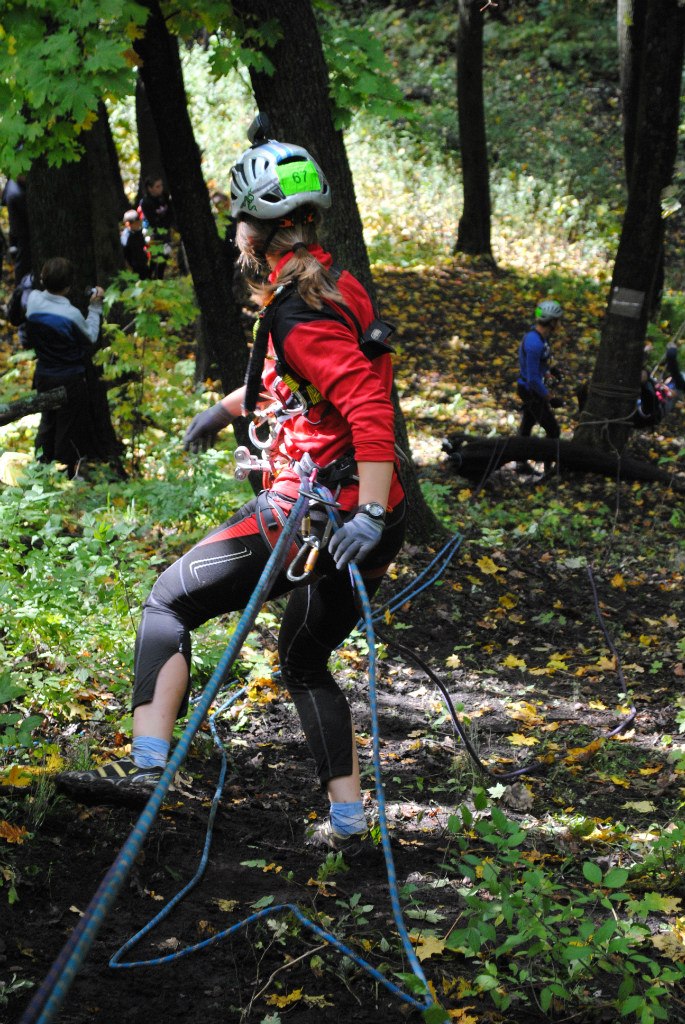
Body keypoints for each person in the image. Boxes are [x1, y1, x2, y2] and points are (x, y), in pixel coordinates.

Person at [57, 121, 407, 854]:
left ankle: (146, 770)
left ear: (257, 230)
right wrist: (223, 412)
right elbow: (304, 387)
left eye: (239, 222)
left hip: (317, 517)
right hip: (356, 514)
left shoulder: (299, 312)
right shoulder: (335, 288)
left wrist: (366, 511)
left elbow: (368, 408)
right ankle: (348, 825)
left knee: (165, 602)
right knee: (305, 661)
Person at [24, 257, 106, 478]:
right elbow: (89, 335)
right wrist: (95, 306)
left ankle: (40, 469)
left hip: (44, 374)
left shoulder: (32, 301)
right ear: (69, 286)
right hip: (70, 378)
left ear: (43, 278)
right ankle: (67, 473)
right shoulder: (71, 315)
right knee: (69, 425)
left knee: (47, 421)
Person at [516, 299, 563, 473]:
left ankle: (521, 463)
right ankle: (549, 468)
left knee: (527, 424)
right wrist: (549, 397)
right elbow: (533, 379)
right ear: (551, 322)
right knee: (553, 429)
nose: (559, 324)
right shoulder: (535, 343)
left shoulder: (538, 338)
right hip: (531, 391)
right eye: (557, 320)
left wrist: (548, 372)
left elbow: (535, 367)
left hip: (531, 388)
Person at [138, 175, 175, 279]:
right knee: (155, 258)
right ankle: (149, 278)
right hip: (154, 234)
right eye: (157, 186)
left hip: (165, 231)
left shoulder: (164, 196)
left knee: (165, 255)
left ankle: (160, 278)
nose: (161, 188)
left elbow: (171, 212)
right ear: (150, 188)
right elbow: (153, 221)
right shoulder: (146, 202)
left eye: (161, 185)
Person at [1, 175, 32, 283]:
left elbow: (3, 200)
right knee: (22, 265)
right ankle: (20, 290)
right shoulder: (18, 194)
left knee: (19, 262)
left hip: (15, 231)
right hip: (22, 233)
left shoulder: (11, 183)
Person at [120, 209, 150, 279]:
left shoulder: (139, 232)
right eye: (136, 223)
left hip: (142, 262)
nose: (139, 224)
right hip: (134, 266)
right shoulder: (126, 237)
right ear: (128, 224)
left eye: (139, 222)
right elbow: (125, 253)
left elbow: (142, 245)